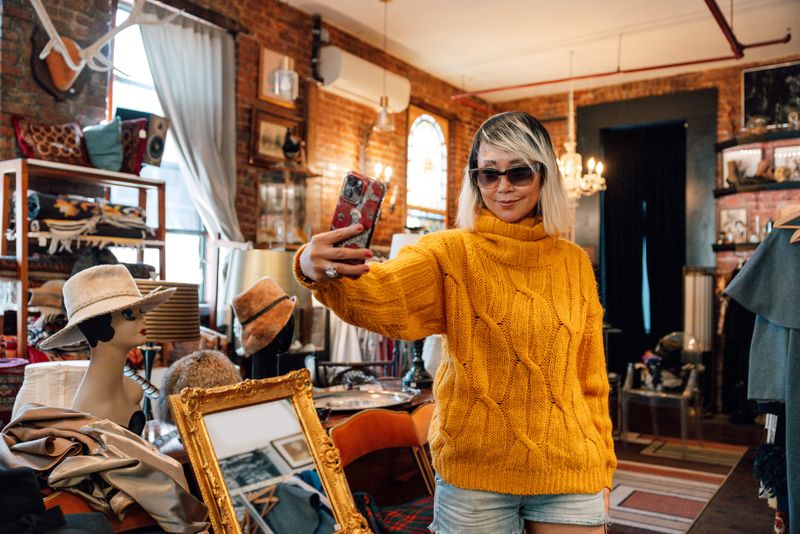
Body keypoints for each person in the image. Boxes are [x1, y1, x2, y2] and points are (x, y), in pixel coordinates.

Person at [295, 111, 616, 533]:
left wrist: (604, 462)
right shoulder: (448, 253)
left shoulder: (573, 263)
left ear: (544, 177)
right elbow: (383, 295)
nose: (502, 187)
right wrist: (313, 266)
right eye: (488, 174)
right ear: (474, 180)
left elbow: (590, 378)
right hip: (474, 475)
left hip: (571, 467)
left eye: (518, 173)